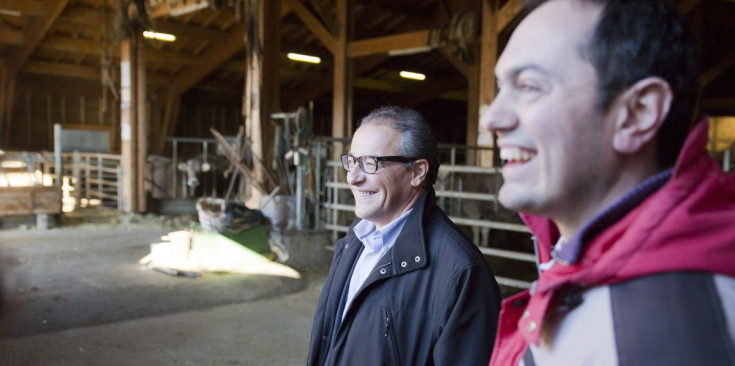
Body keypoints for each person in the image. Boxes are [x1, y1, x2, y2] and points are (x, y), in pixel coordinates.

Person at [480, 0, 735, 365]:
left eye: (530, 86)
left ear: (637, 114)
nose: (492, 119)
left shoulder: (667, 334)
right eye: (500, 87)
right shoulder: (586, 261)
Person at [307, 106, 501, 365]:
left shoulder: (462, 273)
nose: (352, 178)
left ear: (418, 172)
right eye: (352, 161)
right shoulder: (355, 240)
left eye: (370, 163)